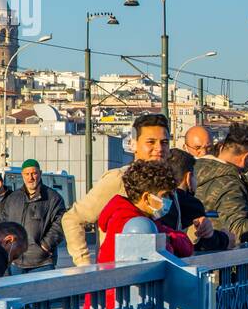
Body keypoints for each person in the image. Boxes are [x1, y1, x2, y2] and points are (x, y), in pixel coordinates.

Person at [63, 113, 171, 266]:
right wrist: (84, 265)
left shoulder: (169, 183)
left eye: (164, 142)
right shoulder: (119, 179)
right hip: (119, 278)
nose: (159, 148)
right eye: (151, 142)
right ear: (134, 144)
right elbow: (72, 218)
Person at [92, 160, 195, 309]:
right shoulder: (131, 222)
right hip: (116, 307)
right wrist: (167, 239)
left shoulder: (145, 219)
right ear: (147, 198)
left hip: (122, 304)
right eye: (165, 195)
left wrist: (168, 238)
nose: (169, 201)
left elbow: (186, 246)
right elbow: (165, 252)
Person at [0, 159, 67, 274]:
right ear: (22, 175)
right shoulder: (13, 198)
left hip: (42, 263)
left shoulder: (53, 198)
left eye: (34, 173)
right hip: (16, 262)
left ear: (40, 173)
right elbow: (4, 223)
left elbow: (60, 223)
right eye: (27, 174)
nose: (31, 178)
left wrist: (45, 246)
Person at [161, 148, 227, 252]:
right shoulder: (192, 204)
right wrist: (225, 239)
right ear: (189, 177)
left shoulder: (158, 200)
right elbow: (203, 242)